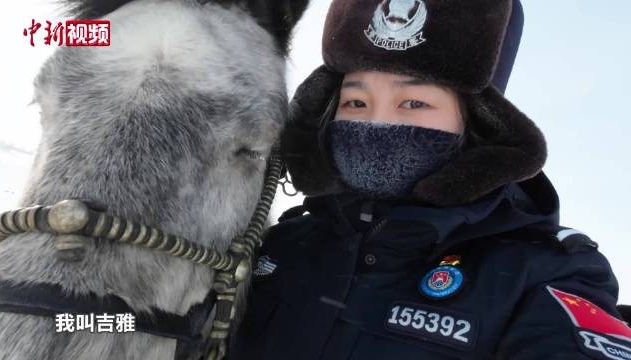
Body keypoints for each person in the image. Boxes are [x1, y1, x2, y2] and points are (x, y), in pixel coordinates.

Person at [230, 0, 631, 359]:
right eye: (355, 102)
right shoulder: (277, 245)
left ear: (475, 122)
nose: (377, 120)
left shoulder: (546, 270)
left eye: (414, 102)